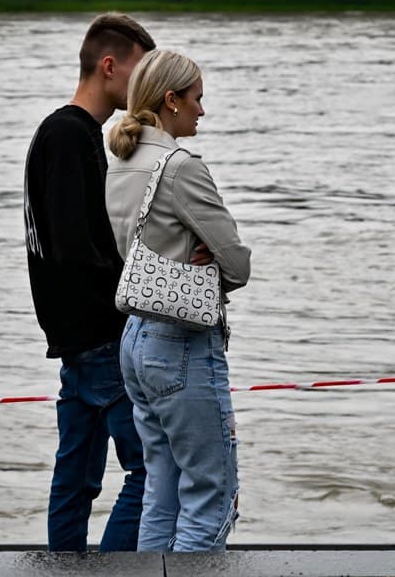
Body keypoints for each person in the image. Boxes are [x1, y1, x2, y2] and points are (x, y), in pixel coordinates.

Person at [105, 49, 251, 552]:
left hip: (135, 340)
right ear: (171, 100)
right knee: (212, 495)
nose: (202, 111)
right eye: (197, 99)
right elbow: (239, 266)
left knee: (160, 494)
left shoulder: (121, 161)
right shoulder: (180, 167)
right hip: (182, 342)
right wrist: (209, 268)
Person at [23, 12, 156, 553]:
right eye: (139, 70)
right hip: (99, 336)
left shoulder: (62, 134)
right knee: (151, 470)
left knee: (75, 478)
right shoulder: (72, 136)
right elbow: (78, 248)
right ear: (109, 66)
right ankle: (109, 571)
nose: (144, 85)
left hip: (72, 339)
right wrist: (142, 287)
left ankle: (66, 567)